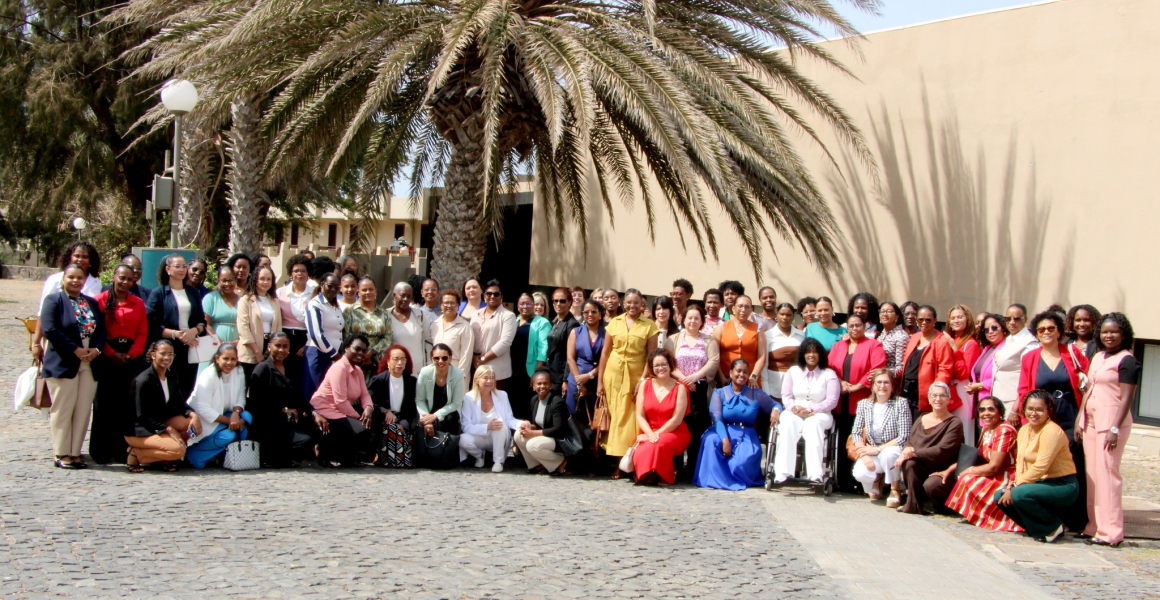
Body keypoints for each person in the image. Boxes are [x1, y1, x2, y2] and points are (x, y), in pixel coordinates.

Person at [1076, 313, 1138, 547]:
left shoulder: (1127, 360)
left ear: (1123, 334)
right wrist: (1080, 419)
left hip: (1111, 424)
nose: (1109, 336)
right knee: (1092, 475)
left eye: (1114, 332)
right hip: (1091, 421)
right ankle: (1094, 526)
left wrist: (1114, 428)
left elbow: (1127, 398)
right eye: (1104, 332)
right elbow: (1089, 388)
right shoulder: (1099, 356)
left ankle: (1111, 532)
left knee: (1107, 476)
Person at [41, 263, 107, 469]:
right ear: (64, 279)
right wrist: (75, 350)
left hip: (89, 359)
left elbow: (101, 329)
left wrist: (96, 349)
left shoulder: (91, 302)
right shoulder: (53, 300)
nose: (75, 281)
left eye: (80, 277)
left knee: (82, 408)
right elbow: (50, 329)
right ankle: (61, 453)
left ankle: (75, 452)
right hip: (64, 358)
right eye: (71, 277)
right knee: (63, 408)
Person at [995, 390, 1078, 543]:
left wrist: (1015, 487)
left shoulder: (1052, 431)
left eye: (1039, 409)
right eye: (1030, 409)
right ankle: (1036, 528)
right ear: (1024, 410)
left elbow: (1041, 466)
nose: (1034, 413)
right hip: (1039, 483)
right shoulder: (1024, 430)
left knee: (1019, 494)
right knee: (1000, 496)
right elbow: (1020, 463)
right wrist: (1010, 486)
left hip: (1062, 484)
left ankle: (1052, 527)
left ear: (1048, 411)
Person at [89, 265, 149, 464]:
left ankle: (120, 450)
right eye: (121, 277)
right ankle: (100, 451)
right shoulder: (99, 301)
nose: (125, 282)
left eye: (129, 279)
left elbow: (142, 332)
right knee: (103, 404)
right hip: (107, 356)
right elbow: (96, 331)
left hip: (131, 357)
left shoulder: (138, 303)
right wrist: (111, 353)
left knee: (125, 405)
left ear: (134, 282)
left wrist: (131, 355)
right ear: (114, 277)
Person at [693, 359, 782, 490]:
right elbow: (716, 418)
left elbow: (776, 404)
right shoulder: (719, 393)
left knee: (740, 463)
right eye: (738, 371)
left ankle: (734, 477)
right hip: (722, 430)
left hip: (746, 434)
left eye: (745, 372)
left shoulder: (755, 393)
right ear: (730, 372)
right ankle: (713, 479)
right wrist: (725, 440)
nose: (742, 375)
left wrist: (775, 410)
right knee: (710, 440)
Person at [597, 289, 659, 466]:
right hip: (613, 374)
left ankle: (628, 461)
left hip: (636, 375)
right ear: (624, 304)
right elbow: (605, 353)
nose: (632, 306)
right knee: (614, 415)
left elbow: (651, 355)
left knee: (631, 418)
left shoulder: (649, 326)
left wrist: (643, 380)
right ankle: (613, 460)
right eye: (629, 302)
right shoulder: (614, 323)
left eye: (636, 302)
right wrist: (600, 381)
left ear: (642, 304)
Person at [828, 314, 887, 492]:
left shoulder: (873, 345)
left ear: (864, 327)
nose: (855, 329)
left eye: (858, 325)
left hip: (861, 400)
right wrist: (840, 382)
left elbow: (877, 369)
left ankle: (862, 482)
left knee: (859, 439)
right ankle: (842, 480)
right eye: (851, 326)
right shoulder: (838, 346)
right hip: (840, 399)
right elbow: (829, 368)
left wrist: (858, 386)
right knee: (841, 438)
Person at [945, 396, 1022, 531]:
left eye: (991, 409)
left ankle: (990, 518)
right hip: (994, 472)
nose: (986, 413)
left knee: (968, 478)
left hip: (1007, 476)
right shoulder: (987, 429)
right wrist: (952, 468)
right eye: (982, 410)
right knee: (960, 476)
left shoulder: (1004, 430)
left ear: (1000, 412)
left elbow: (995, 466)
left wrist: (970, 470)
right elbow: (978, 456)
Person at [247, 332, 319, 467]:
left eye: (285, 346)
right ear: (269, 347)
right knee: (304, 441)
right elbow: (256, 404)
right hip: (267, 423)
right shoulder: (262, 369)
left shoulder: (289, 368)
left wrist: (314, 413)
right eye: (277, 346)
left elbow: (298, 396)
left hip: (287, 421)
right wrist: (284, 410)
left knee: (318, 427)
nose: (281, 350)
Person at [772, 338, 839, 484]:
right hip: (795, 411)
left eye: (815, 352)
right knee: (787, 424)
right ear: (803, 354)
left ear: (820, 355)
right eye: (808, 352)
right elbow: (786, 395)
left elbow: (832, 400)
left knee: (813, 425)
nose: (811, 355)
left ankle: (815, 473)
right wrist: (794, 408)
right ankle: (782, 472)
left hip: (819, 413)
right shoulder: (793, 371)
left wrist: (812, 409)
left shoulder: (829, 374)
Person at [666, 304, 720, 478]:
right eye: (690, 317)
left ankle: (693, 466)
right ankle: (676, 465)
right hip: (677, 387)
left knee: (696, 427)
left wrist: (695, 376)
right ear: (683, 319)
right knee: (677, 424)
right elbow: (668, 363)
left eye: (697, 318)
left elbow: (714, 361)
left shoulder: (709, 340)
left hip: (699, 388)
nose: (693, 321)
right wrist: (683, 379)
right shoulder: (673, 339)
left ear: (702, 321)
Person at [125, 340, 195, 472]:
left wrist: (193, 415)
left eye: (171, 354)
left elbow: (179, 402)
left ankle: (163, 459)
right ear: (153, 355)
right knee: (179, 451)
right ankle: (135, 453)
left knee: (192, 428)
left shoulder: (171, 375)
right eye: (163, 354)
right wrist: (168, 429)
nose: (167, 358)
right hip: (140, 429)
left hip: (159, 422)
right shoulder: (144, 379)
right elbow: (141, 416)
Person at [896, 382, 964, 514]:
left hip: (943, 469)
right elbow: (910, 441)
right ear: (929, 398)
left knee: (931, 485)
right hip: (922, 466)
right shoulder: (921, 418)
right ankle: (914, 505)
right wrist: (906, 450)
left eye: (942, 396)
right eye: (934, 395)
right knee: (909, 464)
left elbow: (943, 450)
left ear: (949, 399)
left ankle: (943, 507)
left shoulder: (954, 423)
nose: (938, 399)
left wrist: (914, 453)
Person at [145, 254, 208, 397]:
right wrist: (176, 334)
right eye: (177, 266)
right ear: (167, 269)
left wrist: (195, 331)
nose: (182, 269)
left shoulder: (192, 292)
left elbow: (201, 321)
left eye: (184, 266)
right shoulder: (159, 293)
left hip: (191, 346)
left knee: (187, 387)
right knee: (167, 387)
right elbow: (152, 324)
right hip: (169, 346)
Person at [31, 242, 103, 366]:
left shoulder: (95, 283)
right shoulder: (55, 280)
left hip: (85, 343)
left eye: (85, 257)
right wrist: (36, 342)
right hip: (58, 340)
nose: (80, 259)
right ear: (70, 257)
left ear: (91, 261)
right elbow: (42, 312)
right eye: (77, 256)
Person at [310, 335, 376, 466]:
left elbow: (364, 394)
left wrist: (368, 408)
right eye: (357, 349)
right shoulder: (339, 368)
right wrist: (358, 418)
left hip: (341, 410)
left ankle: (352, 457)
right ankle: (330, 453)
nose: (360, 353)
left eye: (363, 351)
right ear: (346, 348)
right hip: (326, 410)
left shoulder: (358, 370)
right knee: (361, 429)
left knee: (375, 416)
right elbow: (339, 401)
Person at [850, 369, 912, 507]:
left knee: (888, 455)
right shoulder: (863, 405)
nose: (882, 386)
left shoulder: (900, 403)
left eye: (886, 382)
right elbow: (856, 433)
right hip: (870, 450)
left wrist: (877, 449)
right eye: (878, 382)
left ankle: (895, 489)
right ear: (873, 386)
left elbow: (904, 436)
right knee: (860, 473)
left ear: (892, 386)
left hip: (892, 449)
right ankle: (877, 480)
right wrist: (864, 455)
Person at [184, 343, 251, 469]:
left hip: (227, 415)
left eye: (233, 359)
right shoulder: (208, 375)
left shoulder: (239, 371)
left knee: (247, 417)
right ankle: (193, 455)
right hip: (205, 420)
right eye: (225, 358)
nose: (229, 363)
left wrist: (236, 413)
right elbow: (203, 409)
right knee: (229, 435)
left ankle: (226, 457)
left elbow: (241, 398)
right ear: (217, 358)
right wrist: (230, 422)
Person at [459, 365, 521, 472]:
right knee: (462, 439)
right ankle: (479, 456)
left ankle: (498, 462)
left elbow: (509, 419)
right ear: (477, 380)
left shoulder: (502, 395)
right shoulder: (468, 397)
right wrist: (487, 427)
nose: (489, 381)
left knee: (499, 425)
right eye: (486, 378)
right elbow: (466, 426)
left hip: (498, 437)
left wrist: (521, 424)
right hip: (479, 437)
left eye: (492, 378)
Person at [899, 305, 957, 419]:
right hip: (906, 394)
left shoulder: (941, 341)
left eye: (928, 320)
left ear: (935, 321)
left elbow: (945, 369)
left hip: (924, 397)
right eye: (920, 319)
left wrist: (936, 393)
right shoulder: (915, 337)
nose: (924, 322)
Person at [367, 344, 419, 464]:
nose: (399, 363)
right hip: (384, 419)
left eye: (403, 359)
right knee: (391, 428)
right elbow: (370, 402)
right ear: (388, 362)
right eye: (395, 359)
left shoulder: (411, 382)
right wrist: (385, 411)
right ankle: (392, 460)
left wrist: (404, 423)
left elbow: (413, 407)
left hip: (404, 420)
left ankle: (398, 459)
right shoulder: (378, 380)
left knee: (398, 430)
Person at [515, 370, 571, 475]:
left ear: (550, 385)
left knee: (532, 445)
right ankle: (536, 465)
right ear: (533, 386)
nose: (542, 386)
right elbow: (537, 424)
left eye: (545, 383)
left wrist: (532, 433)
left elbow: (558, 429)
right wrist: (528, 426)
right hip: (544, 436)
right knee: (518, 435)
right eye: (539, 383)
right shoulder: (534, 400)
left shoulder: (557, 401)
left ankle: (560, 462)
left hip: (557, 439)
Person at [276, 253, 316, 390]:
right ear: (290, 273)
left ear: (308, 273)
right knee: (285, 375)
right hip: (285, 338)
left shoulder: (315, 293)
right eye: (296, 271)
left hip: (307, 339)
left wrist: (307, 344)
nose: (300, 274)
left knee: (303, 376)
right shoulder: (279, 293)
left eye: (303, 270)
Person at [991, 303, 1039, 413]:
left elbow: (1028, 378)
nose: (1012, 322)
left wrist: (1016, 409)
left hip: (1013, 402)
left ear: (1025, 319)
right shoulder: (1008, 339)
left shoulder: (1030, 343)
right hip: (998, 398)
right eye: (1008, 319)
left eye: (1017, 319)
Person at [303, 272, 344, 399]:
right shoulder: (315, 305)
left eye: (336, 288)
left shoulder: (335, 306)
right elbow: (316, 334)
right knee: (315, 392)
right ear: (322, 285)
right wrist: (334, 354)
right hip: (318, 354)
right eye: (330, 286)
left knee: (329, 394)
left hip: (332, 356)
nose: (333, 290)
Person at [342, 277, 392, 382]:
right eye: (364, 290)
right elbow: (346, 337)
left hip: (377, 362)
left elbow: (387, 338)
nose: (368, 292)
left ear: (376, 291)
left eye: (371, 289)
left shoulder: (384, 313)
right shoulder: (349, 312)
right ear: (358, 292)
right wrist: (361, 354)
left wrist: (371, 353)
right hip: (355, 360)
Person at [237, 265, 282, 379]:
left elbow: (278, 326)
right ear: (255, 280)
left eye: (268, 279)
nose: (265, 282)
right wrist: (257, 352)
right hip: (250, 348)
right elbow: (243, 328)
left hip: (269, 347)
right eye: (262, 279)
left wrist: (274, 348)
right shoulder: (246, 300)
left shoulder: (274, 300)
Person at [510, 292, 550, 417]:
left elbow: (543, 348)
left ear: (533, 305)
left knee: (527, 403)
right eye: (522, 303)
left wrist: (537, 372)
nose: (525, 306)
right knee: (513, 401)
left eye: (528, 303)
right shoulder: (514, 321)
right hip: (512, 369)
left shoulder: (542, 323)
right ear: (517, 306)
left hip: (530, 370)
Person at [471, 280, 517, 387]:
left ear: (501, 297)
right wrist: (474, 357)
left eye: (496, 294)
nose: (492, 296)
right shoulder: (476, 314)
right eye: (489, 294)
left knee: (494, 401)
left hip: (496, 369)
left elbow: (505, 342)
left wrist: (484, 358)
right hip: (476, 366)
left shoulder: (508, 316)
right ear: (484, 296)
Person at [713, 295, 767, 386]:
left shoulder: (758, 328)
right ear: (733, 308)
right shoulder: (722, 327)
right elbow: (714, 355)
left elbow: (762, 356)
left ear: (751, 310)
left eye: (747, 307)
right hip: (726, 380)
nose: (743, 310)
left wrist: (753, 377)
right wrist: (722, 377)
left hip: (750, 381)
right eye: (740, 306)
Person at [946, 304, 981, 443]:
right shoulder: (952, 339)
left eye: (960, 317)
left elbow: (963, 373)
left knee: (963, 428)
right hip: (949, 388)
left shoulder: (970, 343)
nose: (956, 320)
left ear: (968, 319)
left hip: (962, 390)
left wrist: (955, 350)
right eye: (953, 318)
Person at [416, 344, 465, 437]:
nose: (440, 361)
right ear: (432, 359)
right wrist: (427, 420)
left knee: (452, 418)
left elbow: (456, 403)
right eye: (436, 358)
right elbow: (420, 400)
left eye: (444, 358)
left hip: (448, 412)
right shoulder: (425, 372)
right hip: (428, 411)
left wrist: (436, 416)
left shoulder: (458, 374)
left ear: (450, 358)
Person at [566, 300, 606, 414]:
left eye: (594, 311)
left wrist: (589, 376)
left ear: (600, 314)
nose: (590, 315)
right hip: (576, 380)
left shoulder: (607, 333)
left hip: (597, 380)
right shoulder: (575, 332)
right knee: (574, 416)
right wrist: (579, 381)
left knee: (595, 418)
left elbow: (606, 359)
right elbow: (570, 358)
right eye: (586, 312)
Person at [199, 266, 240, 375]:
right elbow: (206, 324)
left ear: (235, 280)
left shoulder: (242, 300)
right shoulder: (210, 298)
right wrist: (221, 344)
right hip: (213, 345)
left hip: (236, 348)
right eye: (223, 280)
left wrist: (238, 342)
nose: (227, 284)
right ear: (218, 281)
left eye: (230, 280)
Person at [431, 289, 475, 390]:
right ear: (441, 305)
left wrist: (459, 376)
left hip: (456, 373)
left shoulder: (465, 327)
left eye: (453, 303)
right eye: (446, 303)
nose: (449, 306)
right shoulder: (435, 325)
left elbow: (466, 355)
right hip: (437, 373)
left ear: (458, 305)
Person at [968, 313, 1008, 405]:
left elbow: (1004, 378)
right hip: (982, 400)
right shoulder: (987, 348)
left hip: (997, 401)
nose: (990, 331)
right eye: (986, 330)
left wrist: (980, 385)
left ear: (1003, 328)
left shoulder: (1007, 348)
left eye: (994, 328)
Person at [546, 288, 578, 391]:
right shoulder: (555, 321)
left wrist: (565, 380)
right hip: (551, 371)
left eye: (562, 301)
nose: (558, 304)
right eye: (555, 301)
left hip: (561, 374)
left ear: (569, 302)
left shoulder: (572, 324)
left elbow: (571, 355)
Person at [877, 301, 909, 378]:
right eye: (882, 311)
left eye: (889, 311)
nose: (885, 314)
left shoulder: (901, 336)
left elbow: (900, 368)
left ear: (897, 316)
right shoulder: (881, 334)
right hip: (877, 378)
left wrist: (880, 372)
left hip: (891, 382)